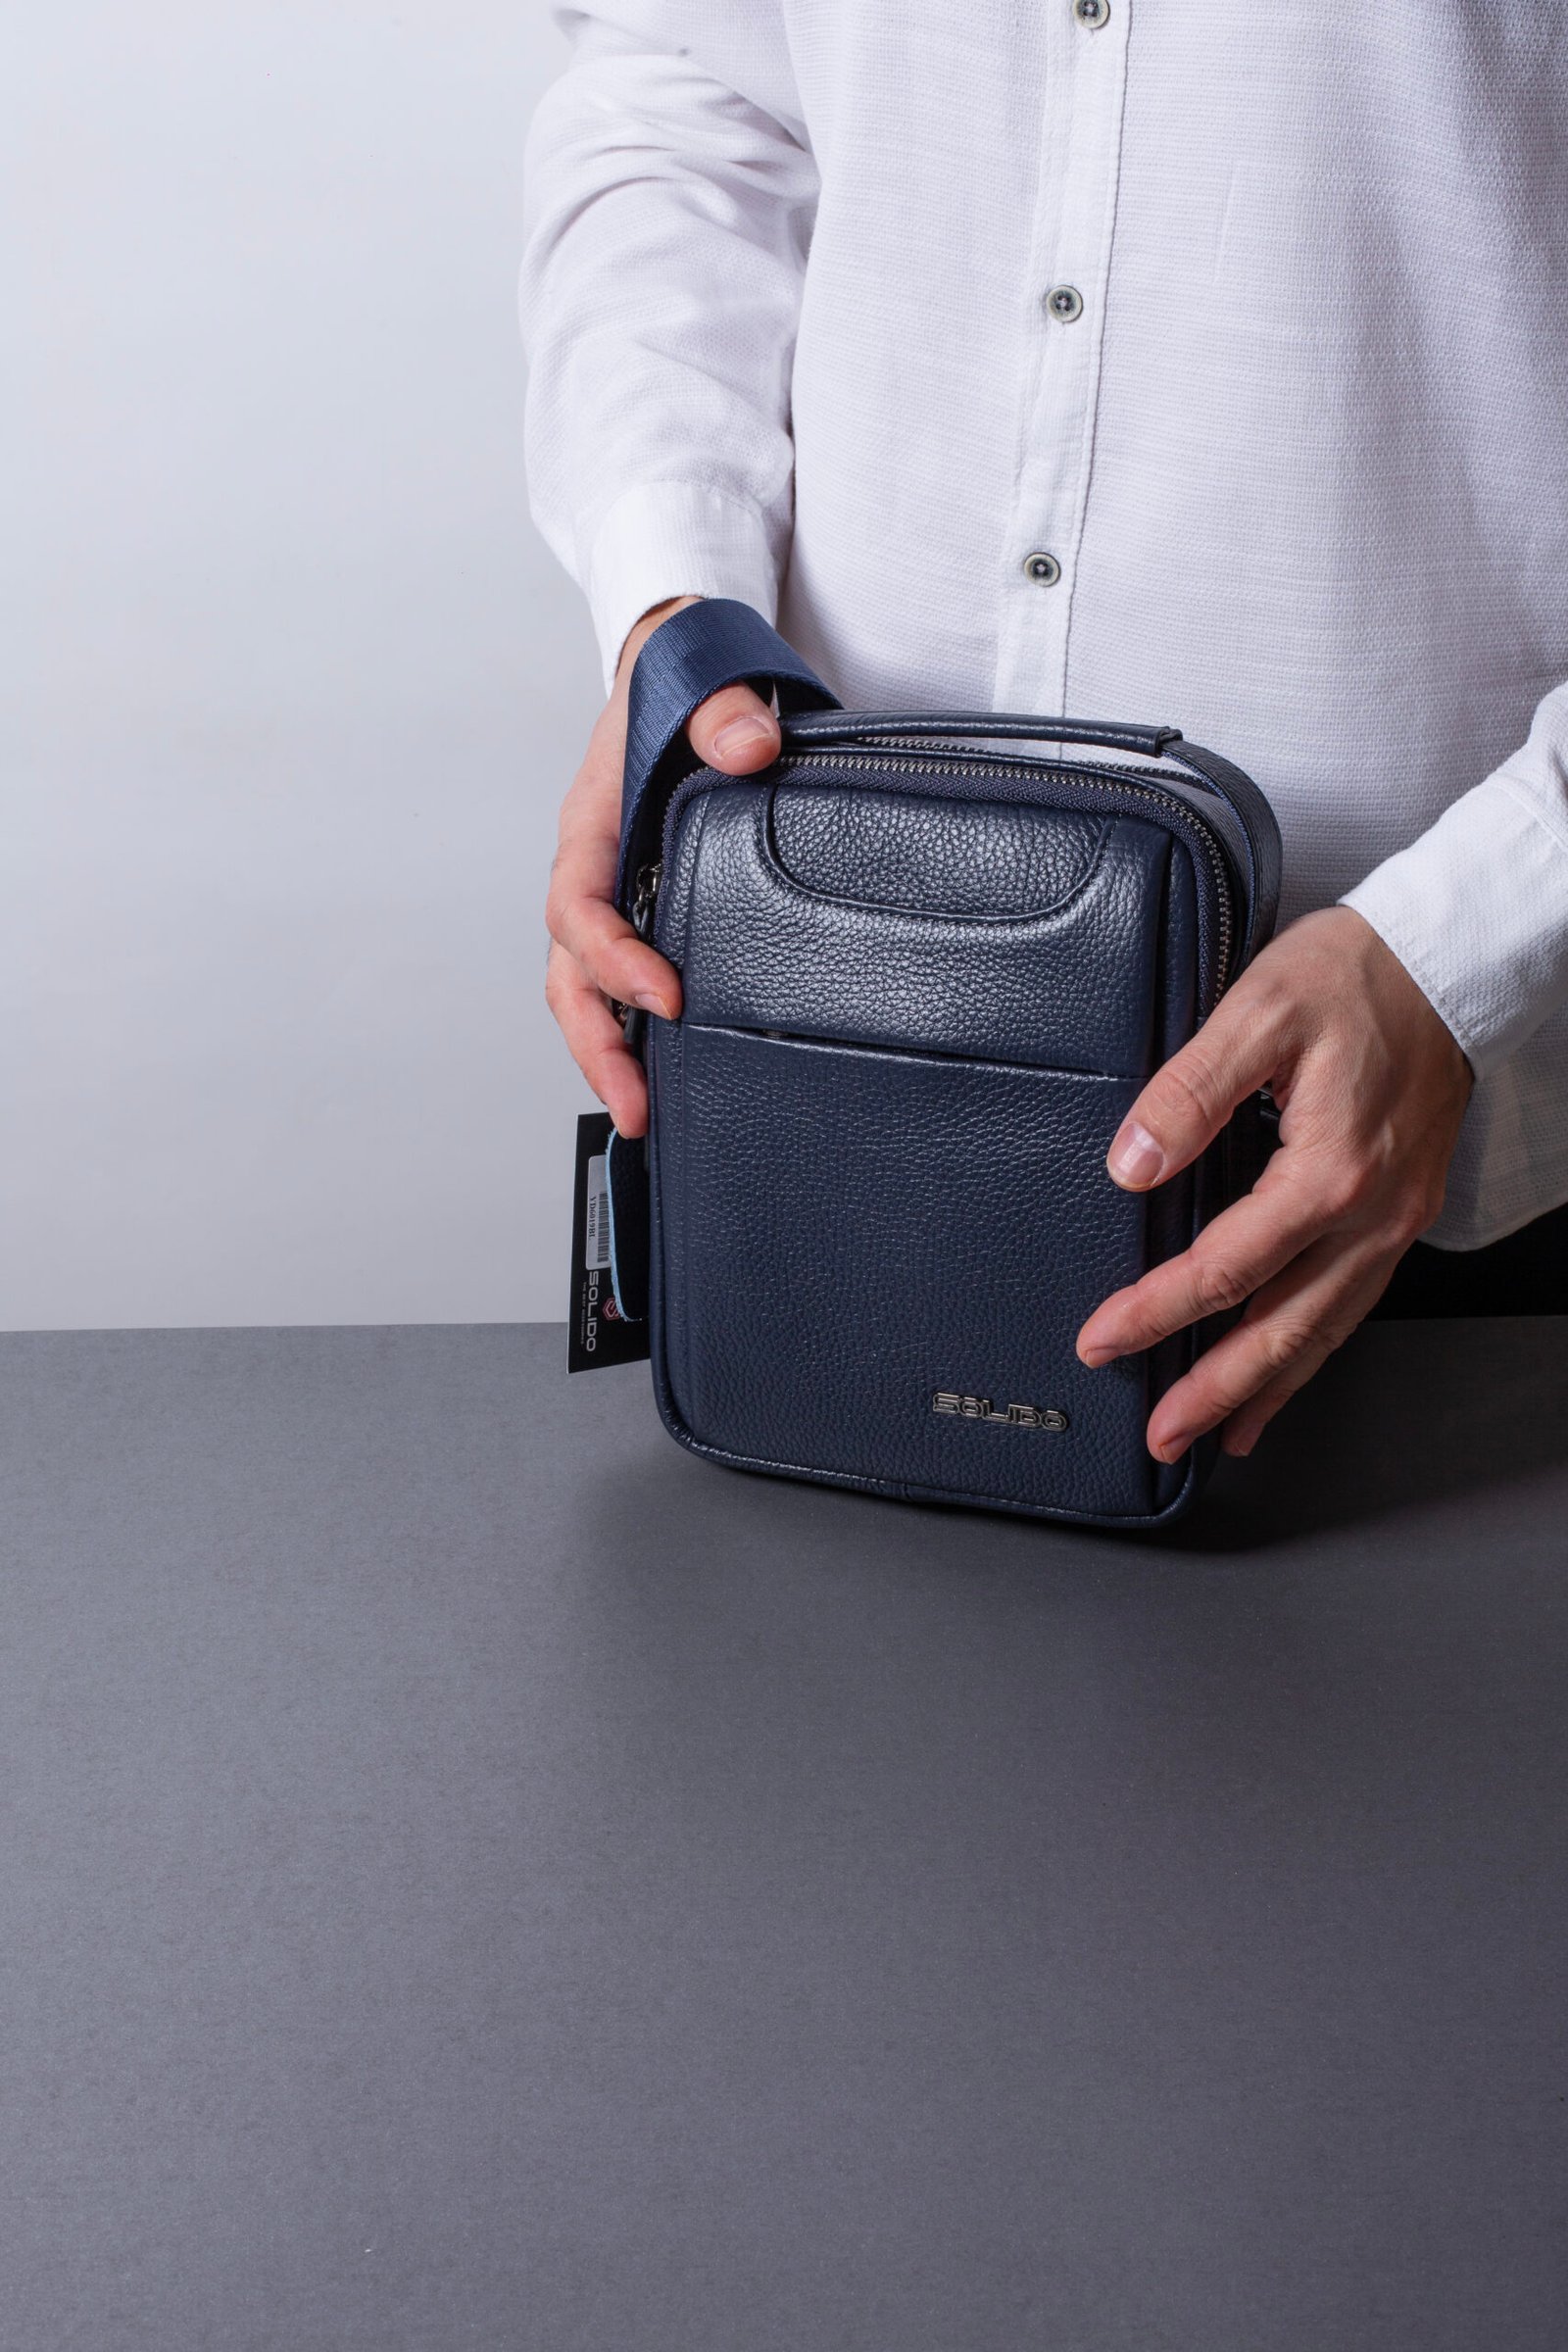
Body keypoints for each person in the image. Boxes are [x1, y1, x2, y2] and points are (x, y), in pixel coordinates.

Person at [520, 4, 1568, 1463]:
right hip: (804, 1049)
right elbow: (690, 91)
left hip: (1451, 1165)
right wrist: (671, 603)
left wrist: (1474, 945)